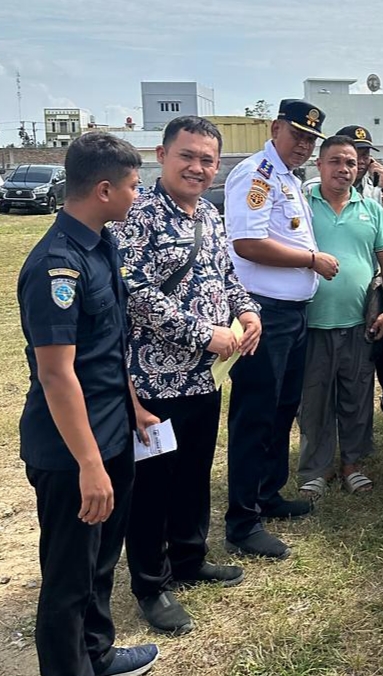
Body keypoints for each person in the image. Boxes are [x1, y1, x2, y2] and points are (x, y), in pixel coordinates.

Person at [111, 116, 262, 635]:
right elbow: (135, 293)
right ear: (161, 155)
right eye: (187, 156)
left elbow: (226, 274)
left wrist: (247, 312)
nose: (198, 167)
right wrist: (205, 333)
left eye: (207, 159)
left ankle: (190, 558)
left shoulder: (212, 215)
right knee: (153, 484)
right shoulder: (137, 215)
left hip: (206, 377)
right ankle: (151, 585)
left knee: (196, 472)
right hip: (154, 382)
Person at [17, 132, 159, 676]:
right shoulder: (57, 265)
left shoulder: (102, 245)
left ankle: (97, 654)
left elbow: (107, 348)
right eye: (131, 185)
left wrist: (135, 406)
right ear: (104, 189)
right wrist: (90, 465)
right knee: (68, 578)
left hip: (111, 429)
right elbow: (56, 375)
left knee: (101, 561)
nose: (136, 194)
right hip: (71, 451)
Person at [224, 99, 339, 558]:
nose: (304, 146)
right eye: (297, 136)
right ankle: (243, 521)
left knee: (281, 408)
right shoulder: (257, 174)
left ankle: (267, 495)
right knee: (255, 415)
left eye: (311, 140)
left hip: (292, 314)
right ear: (274, 129)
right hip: (263, 313)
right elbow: (248, 243)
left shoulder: (288, 178)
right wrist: (311, 260)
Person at [296, 135, 383, 499]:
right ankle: (315, 470)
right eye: (336, 161)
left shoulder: (370, 209)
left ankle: (353, 465)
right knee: (314, 400)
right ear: (319, 166)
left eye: (351, 163)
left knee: (357, 398)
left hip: (358, 323)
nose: (344, 169)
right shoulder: (301, 207)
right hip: (310, 323)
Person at [333, 125, 383, 234]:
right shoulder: (316, 187)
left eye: (365, 156)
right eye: (356, 155)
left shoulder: (374, 193)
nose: (361, 161)